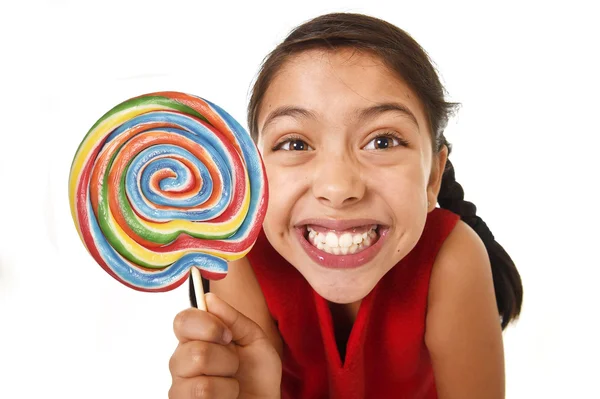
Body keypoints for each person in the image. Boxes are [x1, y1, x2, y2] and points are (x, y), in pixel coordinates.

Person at [168, 12, 523, 399]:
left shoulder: (452, 258)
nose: (338, 188)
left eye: (383, 141)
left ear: (432, 178)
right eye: (296, 144)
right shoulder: (240, 262)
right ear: (256, 172)